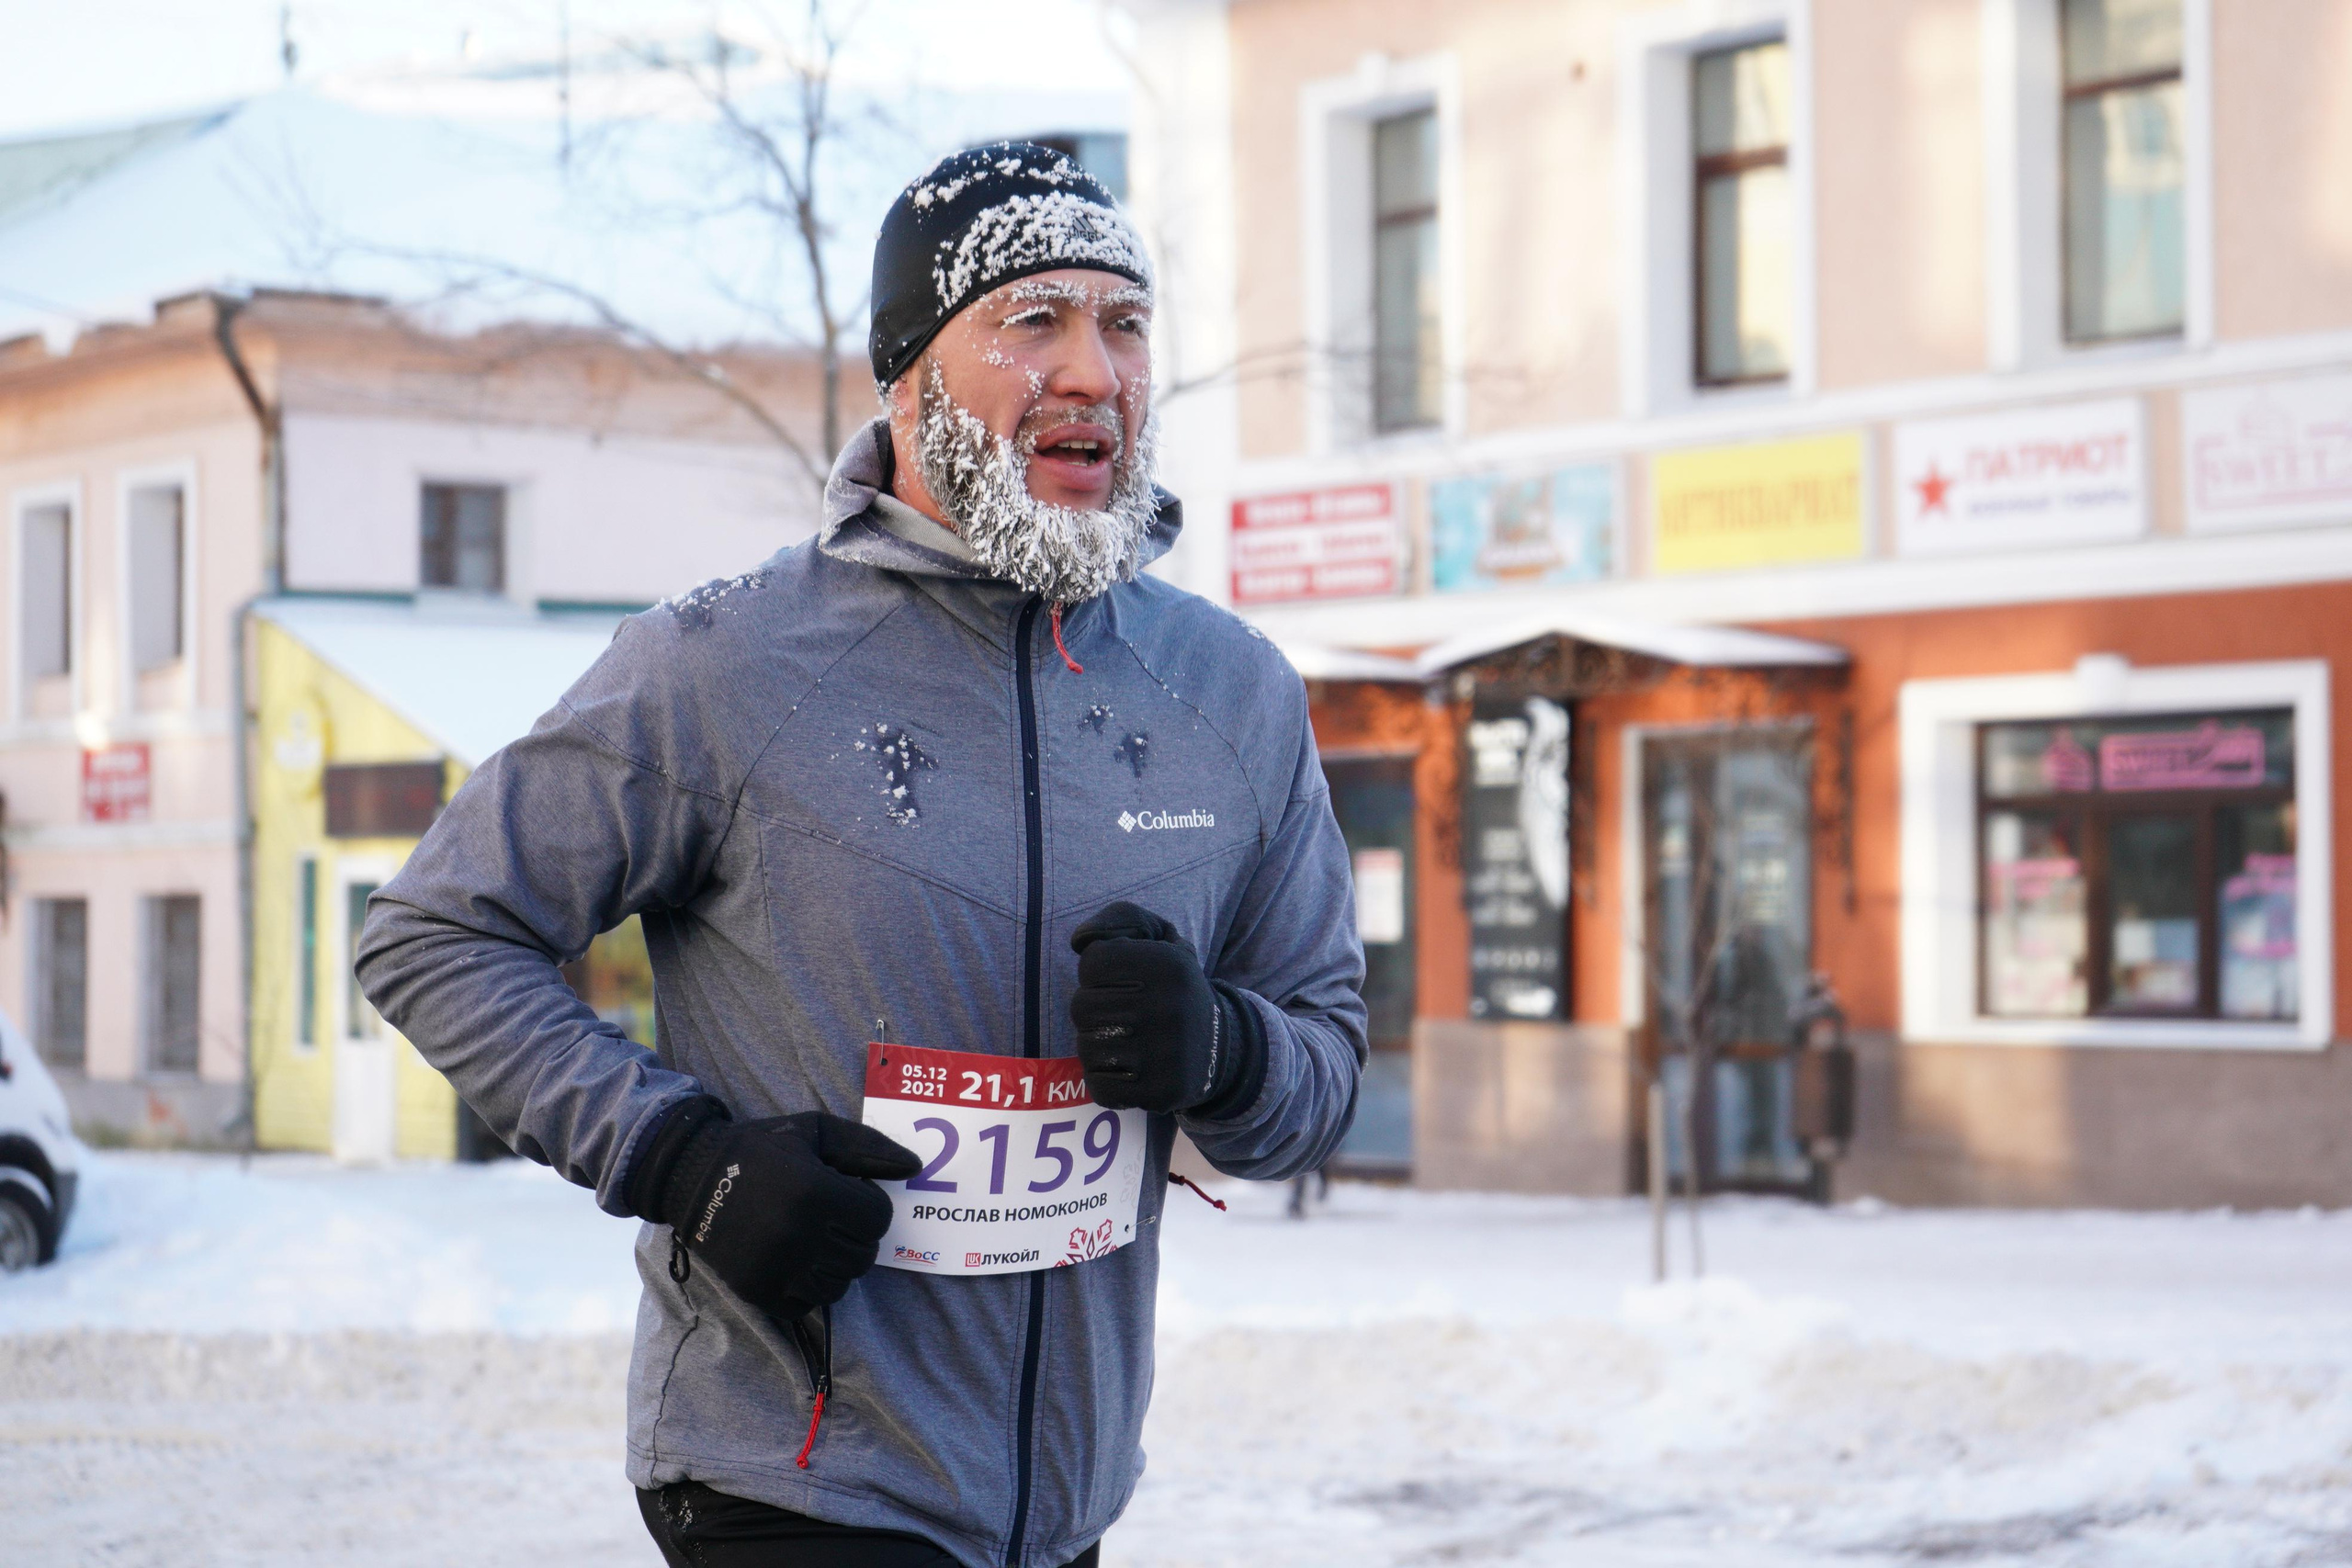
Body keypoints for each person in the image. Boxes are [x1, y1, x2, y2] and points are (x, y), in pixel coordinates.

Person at [356, 142, 1366, 1568]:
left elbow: (1322, 1061)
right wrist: (685, 1159)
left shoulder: (1230, 693)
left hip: (1062, 1507)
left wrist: (1225, 1055)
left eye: (1126, 324)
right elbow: (435, 934)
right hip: (793, 1480)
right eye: (1034, 321)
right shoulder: (725, 664)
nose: (1094, 372)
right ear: (905, 379)